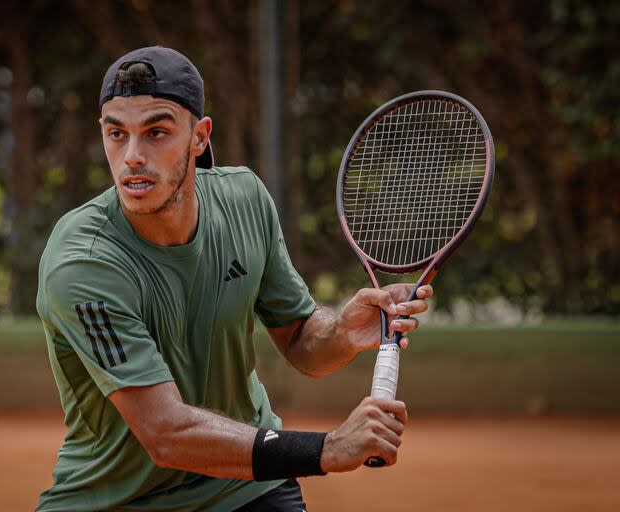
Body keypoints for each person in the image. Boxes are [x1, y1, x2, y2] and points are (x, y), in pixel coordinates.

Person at [35, 46, 432, 512]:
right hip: (114, 501)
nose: (132, 157)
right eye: (116, 133)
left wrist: (341, 332)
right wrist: (327, 449)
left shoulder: (244, 199)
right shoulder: (83, 262)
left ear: (199, 137)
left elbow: (303, 343)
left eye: (157, 132)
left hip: (246, 489)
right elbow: (166, 434)